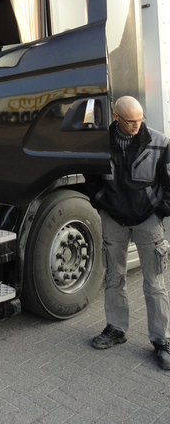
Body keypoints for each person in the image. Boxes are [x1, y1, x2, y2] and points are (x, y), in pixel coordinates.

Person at [86, 95, 170, 370]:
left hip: (148, 221)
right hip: (114, 220)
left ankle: (162, 341)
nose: (136, 125)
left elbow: (168, 183)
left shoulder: (160, 143)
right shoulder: (99, 145)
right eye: (130, 121)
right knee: (114, 277)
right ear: (116, 118)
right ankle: (116, 329)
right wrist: (101, 203)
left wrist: (160, 212)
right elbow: (91, 179)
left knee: (154, 282)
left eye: (140, 119)